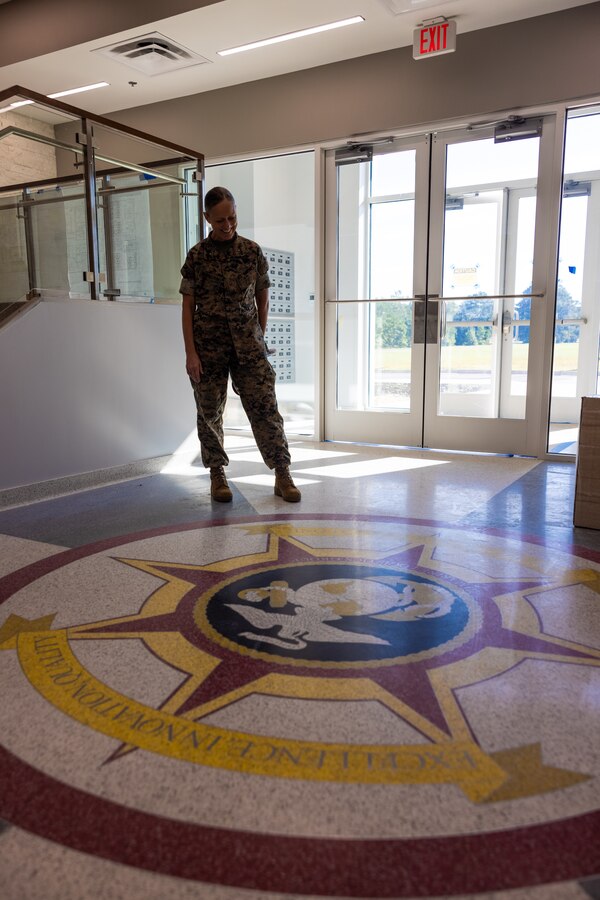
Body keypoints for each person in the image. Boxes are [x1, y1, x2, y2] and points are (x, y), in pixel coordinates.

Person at [180, 186, 301, 503]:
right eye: (220, 220)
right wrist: (191, 353)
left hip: (249, 346)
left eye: (232, 217)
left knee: (266, 409)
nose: (228, 225)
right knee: (209, 412)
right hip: (209, 347)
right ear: (207, 218)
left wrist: (259, 338)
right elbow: (187, 307)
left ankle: (282, 473)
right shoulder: (197, 256)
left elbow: (263, 299)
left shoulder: (251, 251)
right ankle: (217, 474)